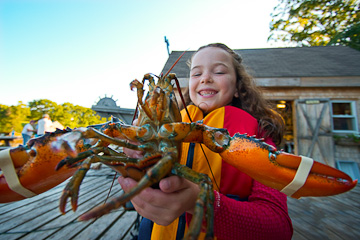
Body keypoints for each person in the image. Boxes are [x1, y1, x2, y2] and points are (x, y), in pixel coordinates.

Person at [119, 43, 293, 239]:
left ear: (238, 88)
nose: (205, 78)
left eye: (219, 71)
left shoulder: (258, 134)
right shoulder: (166, 123)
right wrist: (136, 163)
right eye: (196, 74)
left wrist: (200, 202)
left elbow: (279, 228)